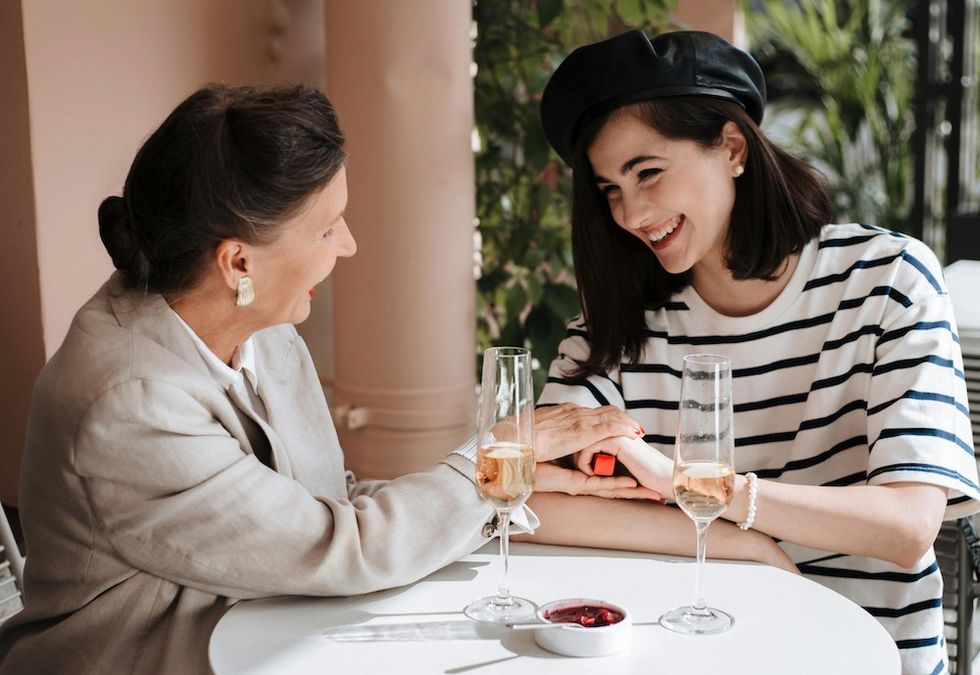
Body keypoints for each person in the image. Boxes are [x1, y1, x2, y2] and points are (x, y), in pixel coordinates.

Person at [0, 84, 667, 675]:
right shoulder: (129, 404)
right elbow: (340, 547)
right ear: (237, 261)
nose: (346, 245)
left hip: (268, 636)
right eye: (326, 227)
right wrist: (490, 456)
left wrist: (498, 490)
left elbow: (326, 507)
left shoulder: (262, 325)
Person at [528, 29, 980, 675]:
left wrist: (694, 485)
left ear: (732, 148)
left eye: (648, 172)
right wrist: (753, 548)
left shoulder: (889, 280)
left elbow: (907, 524)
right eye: (610, 191)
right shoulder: (616, 327)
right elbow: (530, 503)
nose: (631, 213)